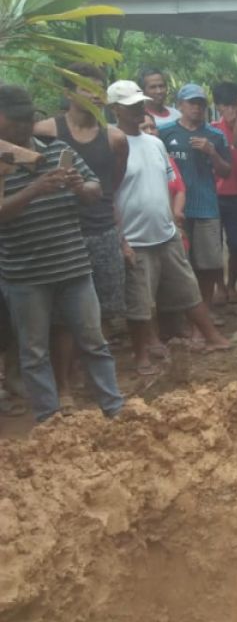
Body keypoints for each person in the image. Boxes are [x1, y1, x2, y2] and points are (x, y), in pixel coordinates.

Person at [0, 84, 124, 422]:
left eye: (29, 118)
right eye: (17, 120)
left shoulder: (56, 149)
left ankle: (115, 409)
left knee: (94, 342)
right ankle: (49, 419)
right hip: (25, 274)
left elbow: (96, 190)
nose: (25, 126)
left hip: (73, 266)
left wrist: (80, 187)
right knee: (34, 351)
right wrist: (34, 190)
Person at [110, 81, 230, 374]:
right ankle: (142, 355)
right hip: (134, 236)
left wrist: (174, 220)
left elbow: (171, 184)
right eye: (132, 106)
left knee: (188, 289)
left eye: (140, 103)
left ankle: (213, 337)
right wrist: (120, 238)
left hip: (165, 232)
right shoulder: (111, 144)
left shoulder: (155, 143)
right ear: (115, 110)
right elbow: (108, 194)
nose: (139, 109)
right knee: (140, 301)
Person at [33, 63, 129, 413]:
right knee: (62, 321)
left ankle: (95, 382)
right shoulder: (45, 130)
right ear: (69, 92)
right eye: (86, 89)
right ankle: (65, 386)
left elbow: (111, 184)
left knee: (99, 315)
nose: (94, 96)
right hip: (60, 233)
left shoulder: (114, 137)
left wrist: (117, 231)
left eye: (99, 90)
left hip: (101, 230)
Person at [158, 84, 232, 318]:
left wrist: (212, 153)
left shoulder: (215, 135)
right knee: (179, 265)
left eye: (200, 103)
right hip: (174, 208)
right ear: (179, 105)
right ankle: (180, 317)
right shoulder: (165, 132)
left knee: (208, 265)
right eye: (191, 103)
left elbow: (227, 172)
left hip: (206, 206)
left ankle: (206, 311)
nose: (197, 108)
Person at [211, 82, 237, 305]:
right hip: (214, 195)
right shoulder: (212, 129)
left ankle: (232, 285)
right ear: (218, 106)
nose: (232, 110)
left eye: (234, 105)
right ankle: (219, 287)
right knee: (214, 246)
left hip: (236, 194)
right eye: (227, 106)